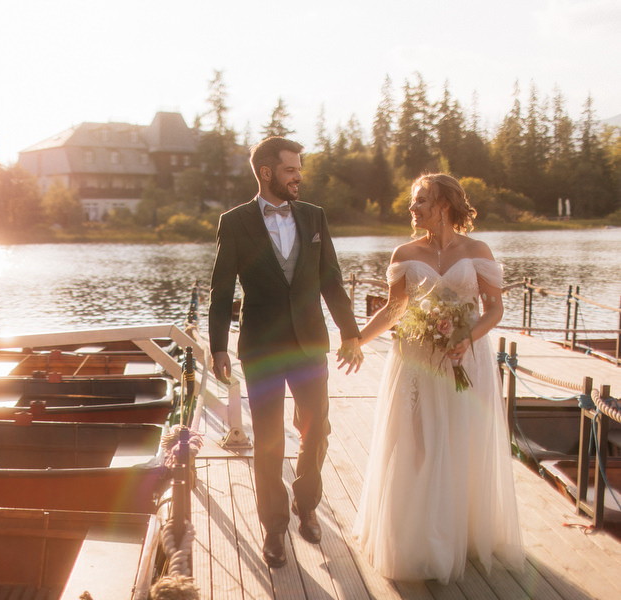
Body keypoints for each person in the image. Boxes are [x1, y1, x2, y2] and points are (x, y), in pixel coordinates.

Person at [352, 173, 524, 583]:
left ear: (444, 205)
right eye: (413, 202)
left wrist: (467, 337)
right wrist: (356, 340)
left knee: (463, 442)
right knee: (418, 445)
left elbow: (494, 310)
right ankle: (419, 540)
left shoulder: (477, 250)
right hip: (417, 362)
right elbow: (395, 310)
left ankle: (459, 533)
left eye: (420, 200)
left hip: (467, 359)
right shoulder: (404, 252)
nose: (412, 209)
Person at [208, 136, 364, 568]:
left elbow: (331, 278)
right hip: (261, 346)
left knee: (317, 429)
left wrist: (351, 332)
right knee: (269, 439)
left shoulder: (314, 216)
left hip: (310, 341)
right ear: (266, 172)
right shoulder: (235, 222)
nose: (299, 176)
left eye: (299, 168)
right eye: (291, 169)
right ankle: (274, 528)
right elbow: (221, 290)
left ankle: (307, 503)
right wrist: (218, 345)